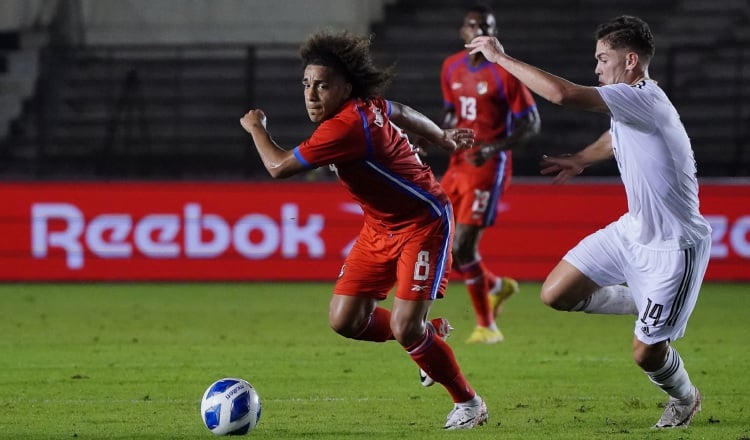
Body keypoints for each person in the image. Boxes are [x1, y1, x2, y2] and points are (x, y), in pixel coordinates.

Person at [467, 15, 711, 428]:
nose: (596, 68)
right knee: (555, 293)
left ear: (630, 60)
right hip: (632, 232)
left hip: (675, 249)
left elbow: (562, 95)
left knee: (646, 353)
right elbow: (617, 135)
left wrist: (498, 56)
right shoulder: (635, 101)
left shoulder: (644, 99)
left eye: (602, 59)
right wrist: (582, 157)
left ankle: (685, 397)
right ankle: (645, 300)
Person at [240, 29, 488, 430]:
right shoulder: (363, 107)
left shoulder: (344, 128)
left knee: (406, 326)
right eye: (306, 84)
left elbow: (277, 166)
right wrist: (440, 136)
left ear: (346, 87)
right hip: (380, 226)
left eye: (322, 85)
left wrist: (256, 127)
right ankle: (428, 334)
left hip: (424, 223)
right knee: (345, 320)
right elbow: (402, 110)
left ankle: (470, 404)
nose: (311, 94)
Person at [439, 4, 540, 344]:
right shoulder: (451, 67)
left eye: (487, 26)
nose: (480, 31)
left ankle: (487, 327)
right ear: (463, 32)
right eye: (474, 26)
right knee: (443, 239)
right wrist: (438, 136)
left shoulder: (506, 73)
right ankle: (497, 286)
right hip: (457, 164)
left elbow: (531, 123)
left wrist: (494, 148)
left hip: (487, 166)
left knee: (463, 245)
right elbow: (452, 113)